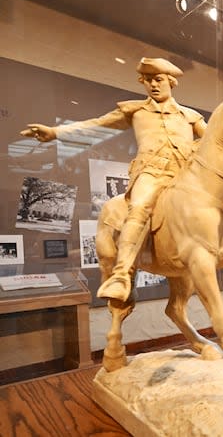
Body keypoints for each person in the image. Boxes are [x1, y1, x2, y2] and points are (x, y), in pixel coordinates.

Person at [21, 57, 206, 302]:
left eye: (159, 79)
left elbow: (214, 141)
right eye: (148, 80)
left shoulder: (190, 116)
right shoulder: (135, 111)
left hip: (184, 177)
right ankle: (121, 274)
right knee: (139, 209)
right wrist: (56, 132)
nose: (153, 85)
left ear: (171, 82)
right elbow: (96, 126)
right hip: (150, 173)